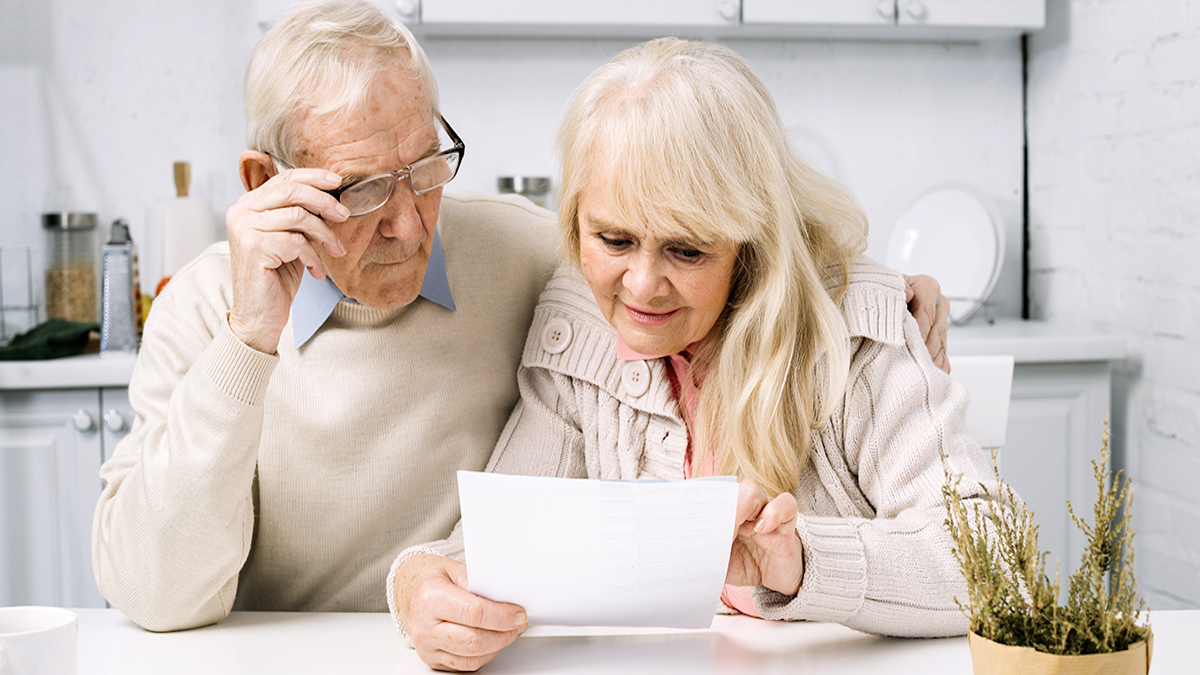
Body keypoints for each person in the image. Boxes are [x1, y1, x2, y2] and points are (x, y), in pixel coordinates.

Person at [92, 1, 950, 633]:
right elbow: (158, 593)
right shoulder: (205, 310)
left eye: (425, 170)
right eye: (358, 191)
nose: (408, 224)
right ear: (263, 184)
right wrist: (247, 343)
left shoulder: (534, 259)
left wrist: (858, 289)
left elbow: (697, 229)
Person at [391, 38, 996, 672]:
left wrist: (806, 562)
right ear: (572, 225)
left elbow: (991, 558)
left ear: (751, 243)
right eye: (614, 239)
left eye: (687, 250)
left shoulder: (856, 332)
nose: (642, 286)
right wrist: (415, 588)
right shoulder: (575, 318)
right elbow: (485, 554)